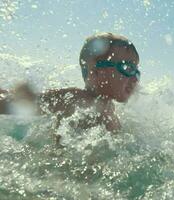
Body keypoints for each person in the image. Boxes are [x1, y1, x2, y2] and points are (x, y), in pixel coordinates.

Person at [0, 32, 140, 136]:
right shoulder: (75, 99)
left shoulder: (110, 107)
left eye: (136, 71)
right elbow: (20, 104)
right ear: (95, 72)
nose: (135, 78)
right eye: (128, 68)